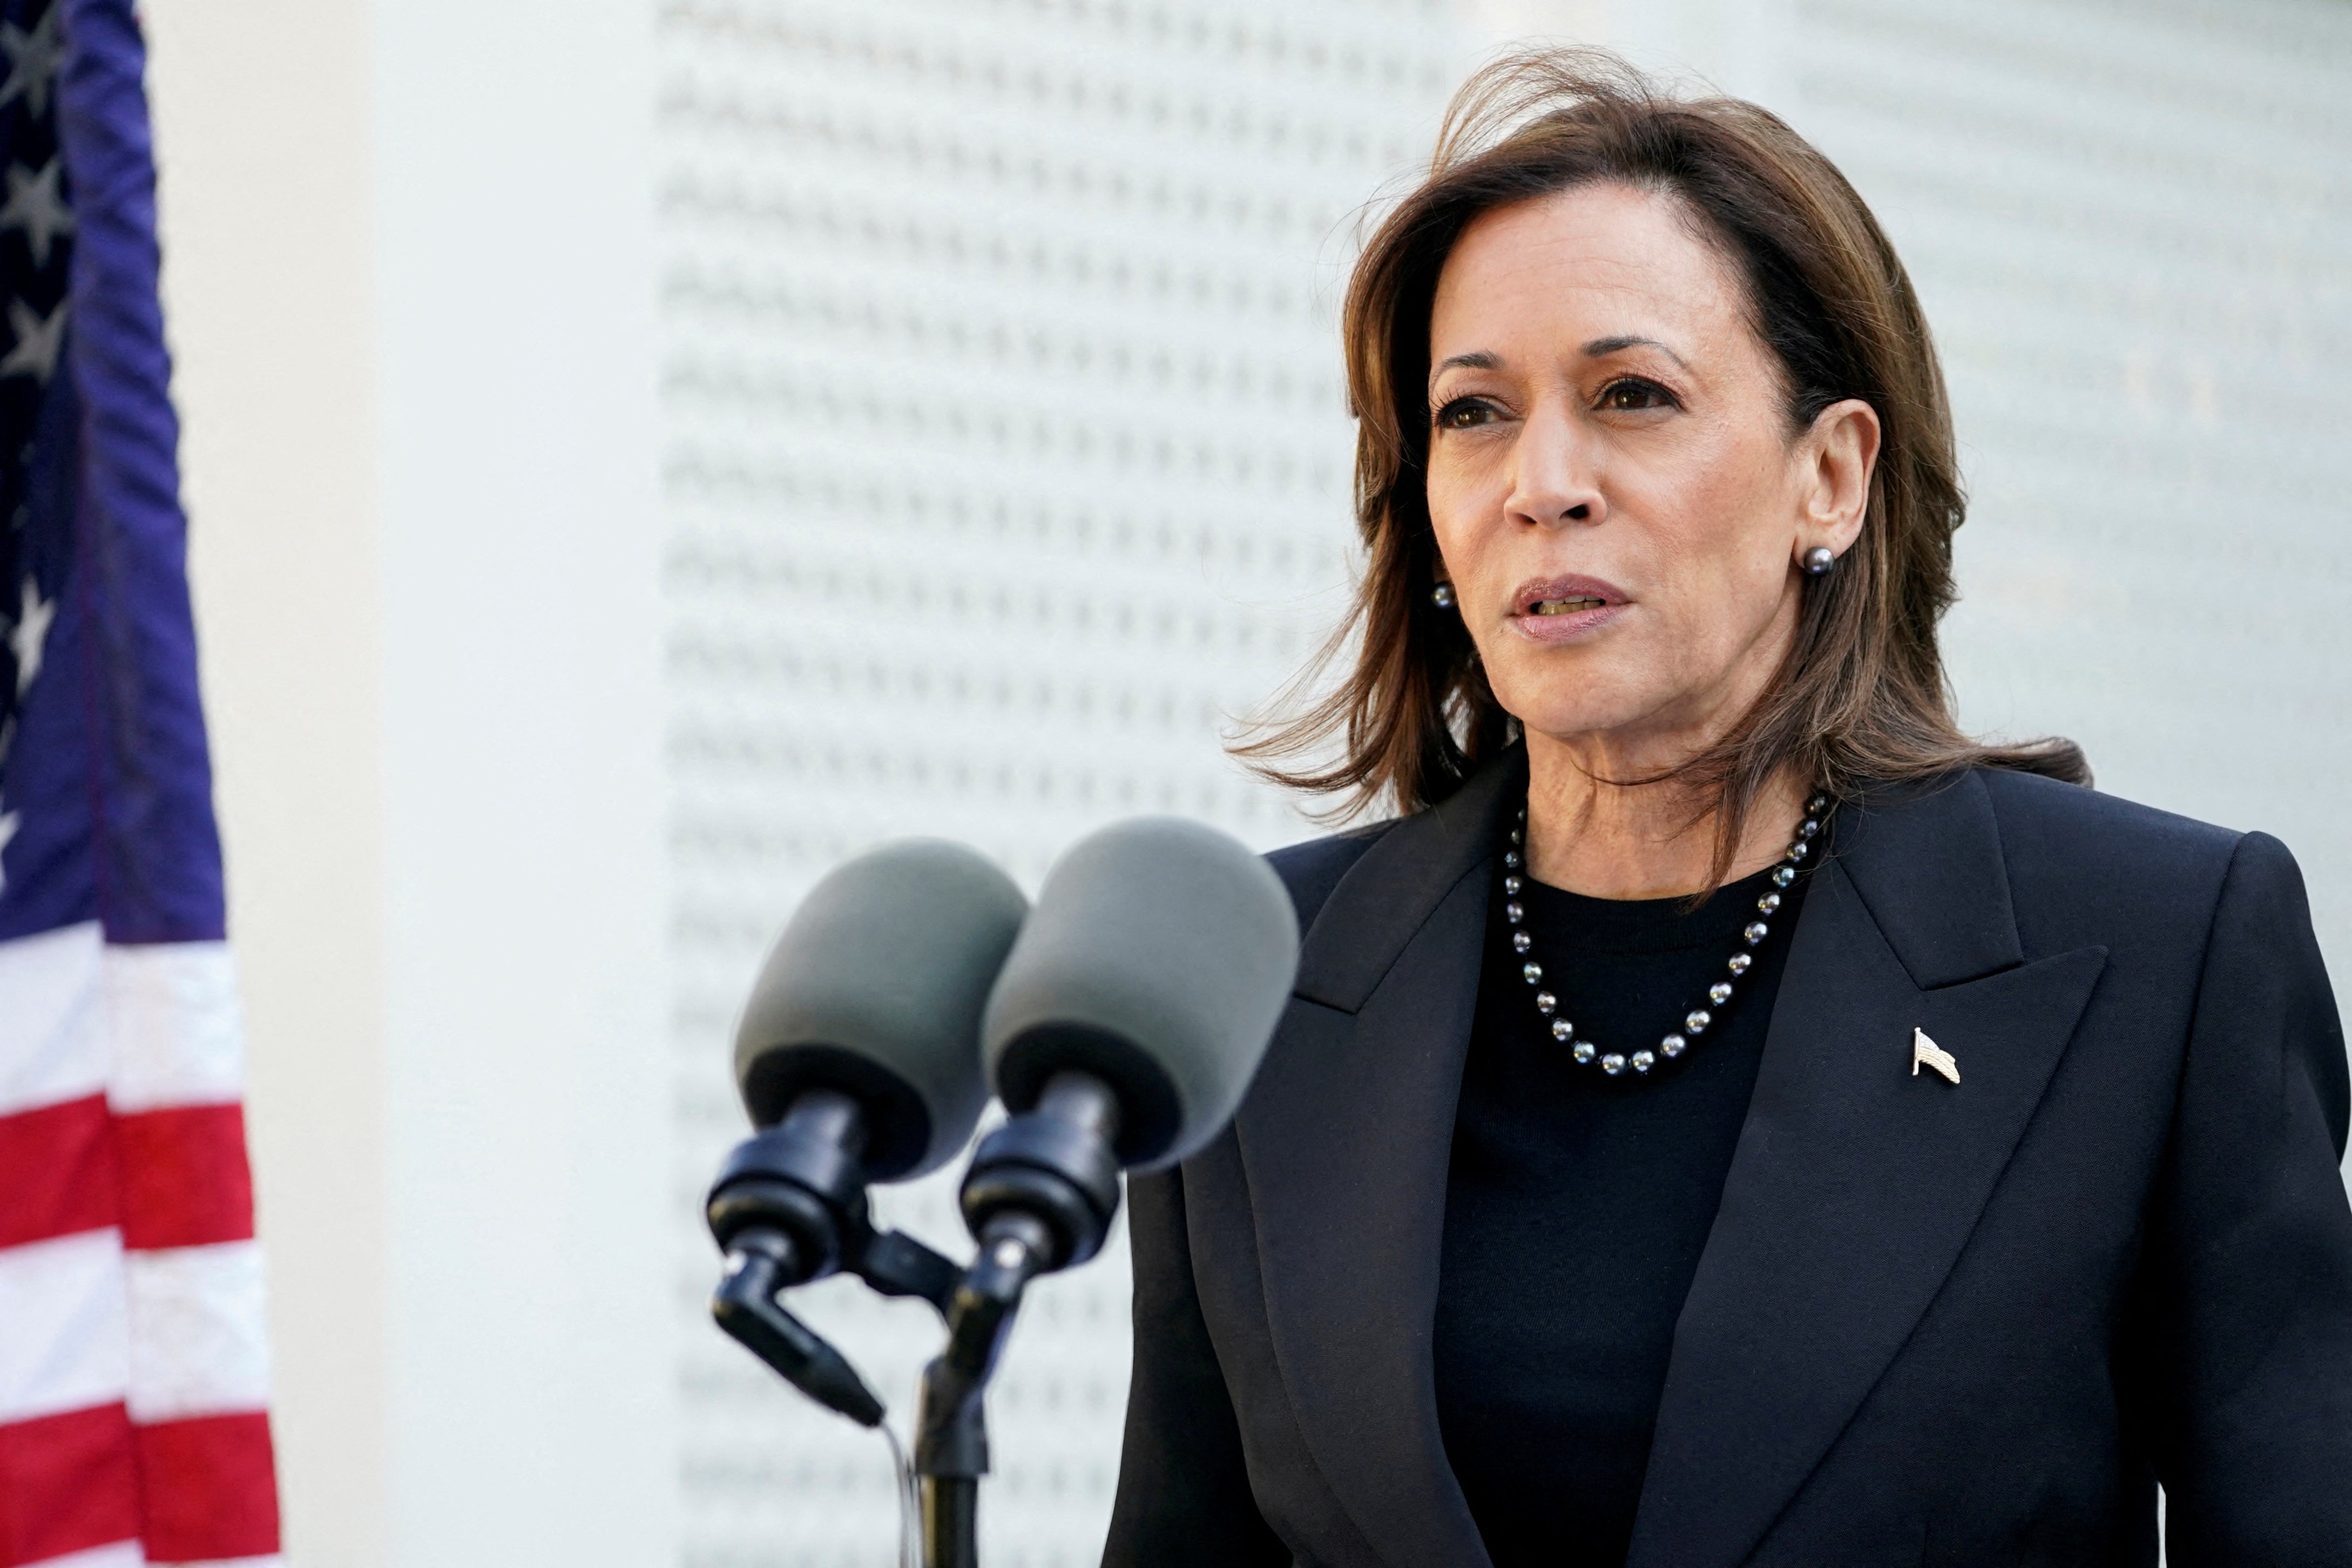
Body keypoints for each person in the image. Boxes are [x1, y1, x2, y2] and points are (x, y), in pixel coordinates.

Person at [1100, 48, 2352, 1568]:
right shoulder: (1254, 984)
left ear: (1829, 478)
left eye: (1631, 396)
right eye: (1472, 415)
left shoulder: (2158, 951)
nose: (1538, 482)